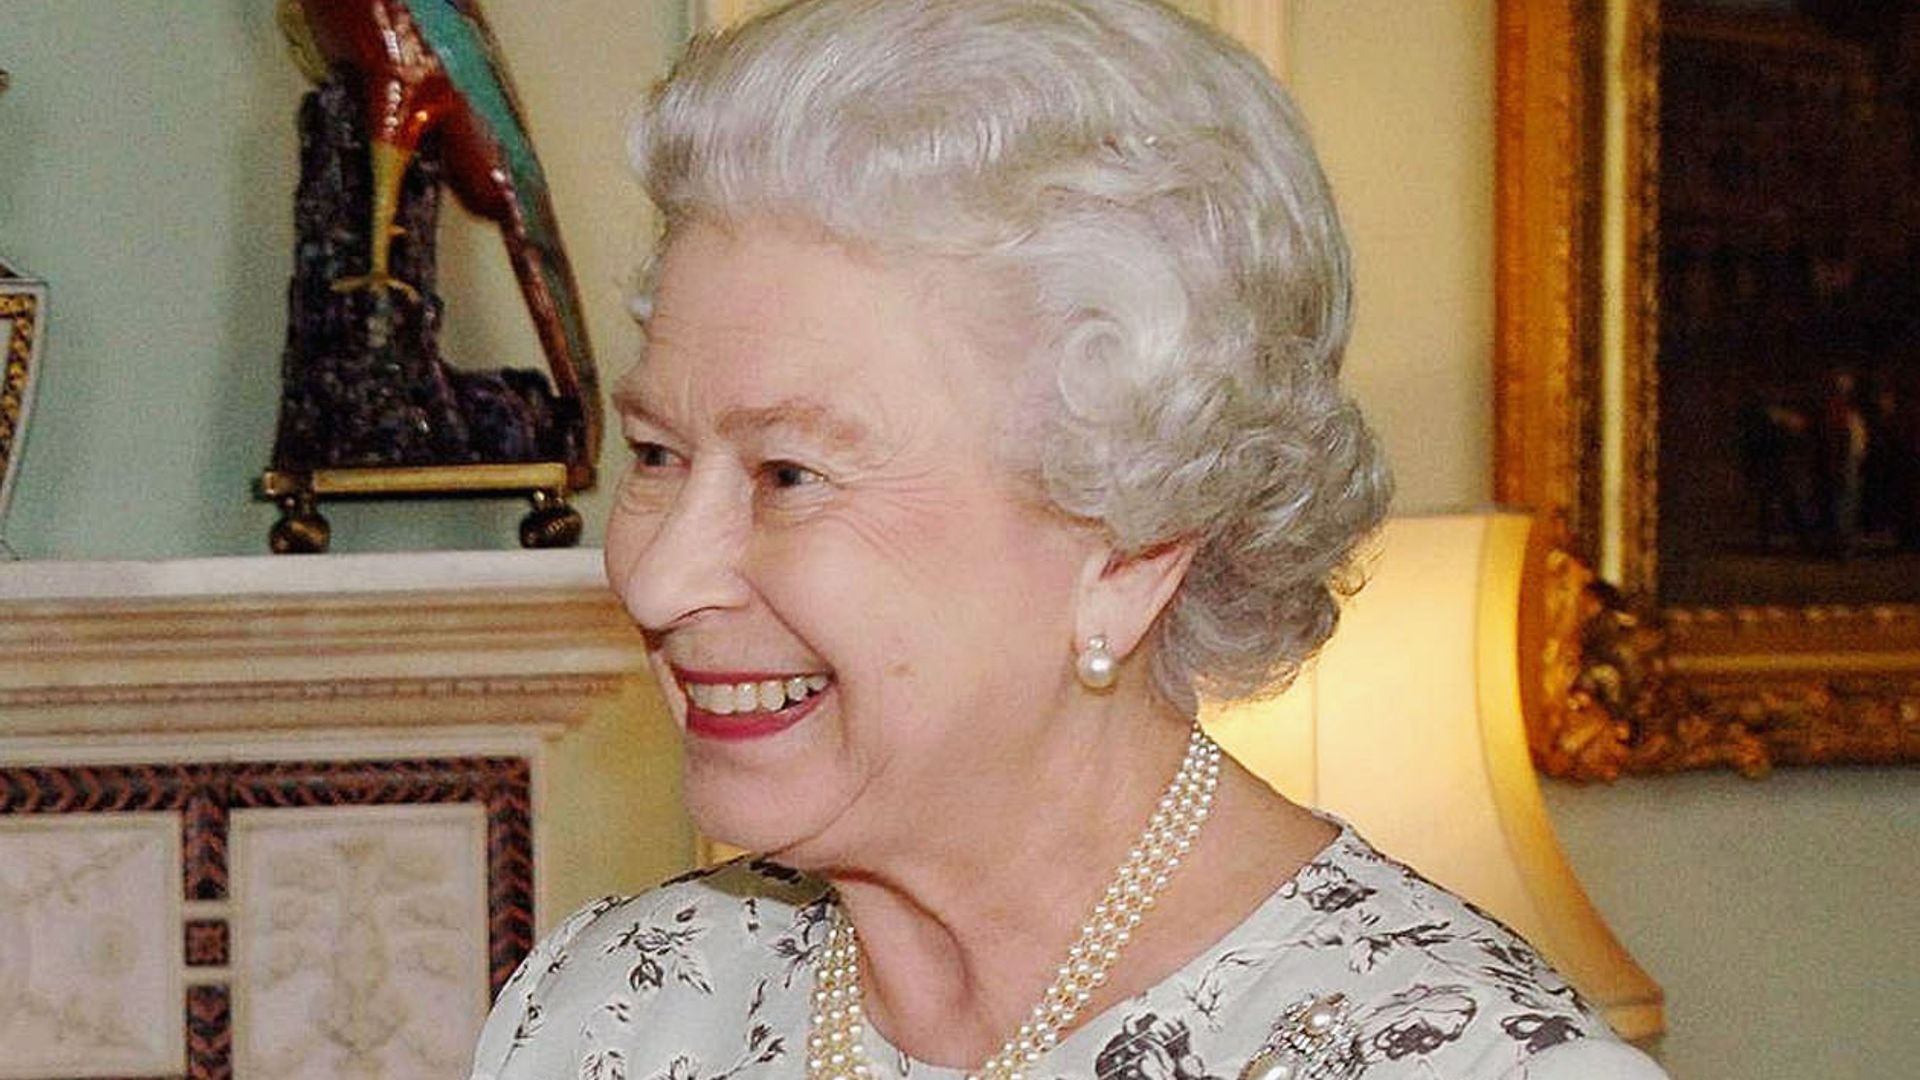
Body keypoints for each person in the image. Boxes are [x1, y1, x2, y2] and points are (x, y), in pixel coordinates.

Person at [468, 2, 1668, 1077]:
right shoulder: (608, 1012)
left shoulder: (1453, 1063)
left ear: (1131, 543)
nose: (662, 576)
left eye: (790, 474)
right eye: (660, 456)